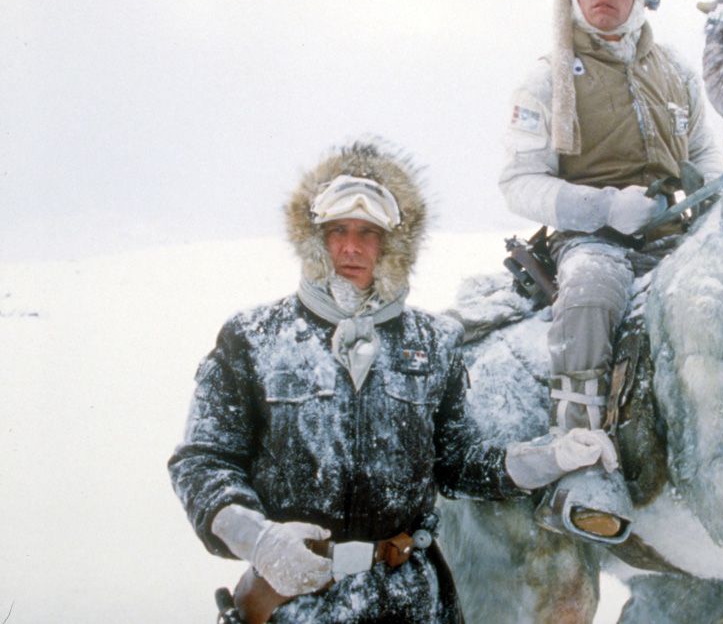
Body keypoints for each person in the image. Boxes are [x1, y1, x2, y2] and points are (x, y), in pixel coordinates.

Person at [169, 139, 617, 624]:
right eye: (337, 230)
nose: (351, 247)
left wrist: (552, 456)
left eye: (369, 232)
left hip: (409, 600)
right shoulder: (253, 339)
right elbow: (202, 462)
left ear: (394, 245)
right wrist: (257, 539)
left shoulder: (434, 342)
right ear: (313, 237)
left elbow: (460, 464)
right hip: (292, 600)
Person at [499, 0, 723, 544]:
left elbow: (707, 153)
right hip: (592, 241)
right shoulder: (545, 81)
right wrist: (603, 207)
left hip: (677, 234)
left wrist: (708, 186)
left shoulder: (677, 72)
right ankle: (580, 464)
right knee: (593, 290)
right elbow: (520, 183)